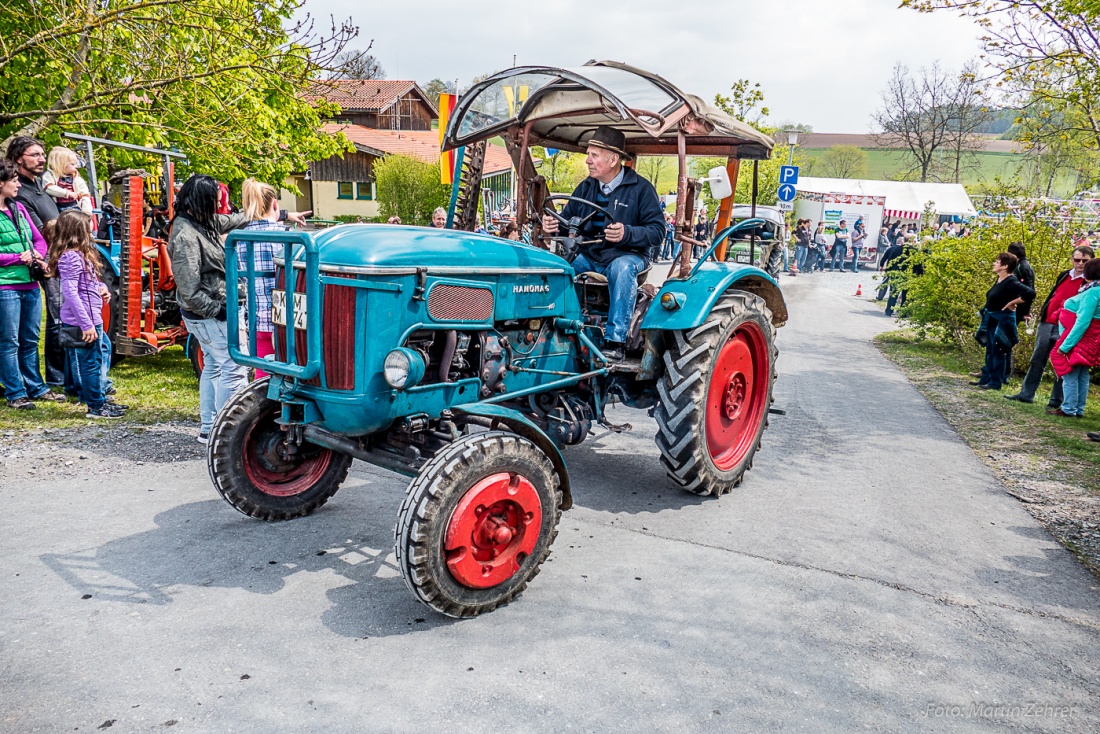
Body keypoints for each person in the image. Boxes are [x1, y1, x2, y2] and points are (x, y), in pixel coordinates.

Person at [168, 174, 308, 442]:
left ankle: (209, 427)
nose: (220, 207)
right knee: (232, 368)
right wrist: (219, 310)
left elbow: (236, 220)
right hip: (209, 311)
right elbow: (189, 289)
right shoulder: (186, 235)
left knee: (212, 366)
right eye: (215, 201)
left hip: (213, 311)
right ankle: (229, 432)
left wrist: (284, 214)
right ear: (202, 201)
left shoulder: (200, 222)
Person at [540, 126, 665, 361]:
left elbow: (658, 232)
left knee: (622, 268)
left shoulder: (641, 189)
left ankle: (615, 340)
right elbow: (568, 223)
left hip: (628, 255)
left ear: (613, 159)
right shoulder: (585, 187)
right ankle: (554, 328)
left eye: (594, 155)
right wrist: (554, 225)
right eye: (589, 154)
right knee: (556, 266)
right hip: (590, 256)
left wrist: (627, 233)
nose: (587, 161)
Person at [0, 159, 65, 409]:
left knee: (29, 339)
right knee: (8, 342)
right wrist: (18, 257)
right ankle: (15, 392)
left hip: (29, 283)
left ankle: (36, 386)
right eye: (13, 180)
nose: (18, 184)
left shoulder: (18, 208)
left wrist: (37, 254)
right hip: (6, 286)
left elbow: (39, 239)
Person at [45, 210, 121, 418]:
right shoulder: (70, 257)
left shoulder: (80, 255)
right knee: (90, 363)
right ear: (78, 231)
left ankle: (99, 399)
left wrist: (100, 287)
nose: (92, 229)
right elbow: (70, 293)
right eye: (88, 226)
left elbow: (85, 285)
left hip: (91, 317)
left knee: (98, 358)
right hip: (84, 321)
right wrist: (85, 324)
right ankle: (95, 406)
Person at [1006, 244, 1095, 406]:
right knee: (1037, 359)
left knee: (1062, 361)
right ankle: (1026, 393)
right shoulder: (1064, 275)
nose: (1081, 263)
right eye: (1077, 260)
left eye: (1085, 260)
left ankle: (1056, 400)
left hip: (1068, 325)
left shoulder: (1091, 283)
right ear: (1071, 260)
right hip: (1048, 321)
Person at [237, 178, 286, 381]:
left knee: (262, 376)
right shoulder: (285, 236)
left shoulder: (240, 240)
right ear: (274, 204)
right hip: (284, 322)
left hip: (257, 320)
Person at [972, 252, 1035, 391]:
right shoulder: (999, 279)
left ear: (1005, 266)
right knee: (990, 349)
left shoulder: (1011, 280)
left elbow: (1030, 293)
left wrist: (1014, 302)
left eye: (997, 262)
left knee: (998, 350)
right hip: (992, 318)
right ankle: (986, 378)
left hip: (1003, 319)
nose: (994, 264)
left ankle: (995, 382)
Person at [1047, 258, 1100, 417]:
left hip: (1079, 338)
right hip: (1090, 338)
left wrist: (1066, 346)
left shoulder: (1092, 292)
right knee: (1082, 374)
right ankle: (1078, 409)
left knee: (1070, 373)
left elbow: (1082, 322)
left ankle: (1069, 408)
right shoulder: (1095, 289)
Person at [43, 147, 93, 216]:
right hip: (55, 208)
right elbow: (49, 188)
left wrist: (87, 212)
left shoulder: (77, 179)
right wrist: (67, 193)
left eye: (76, 164)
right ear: (61, 164)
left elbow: (85, 195)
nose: (76, 166)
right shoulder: (50, 175)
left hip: (74, 208)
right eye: (72, 164)